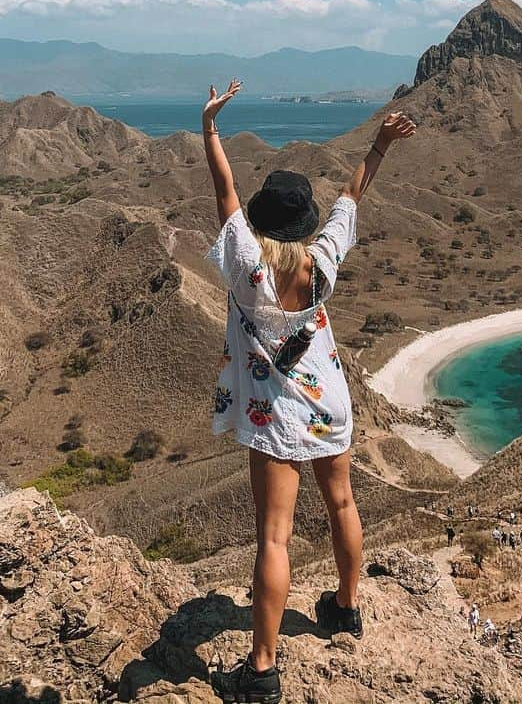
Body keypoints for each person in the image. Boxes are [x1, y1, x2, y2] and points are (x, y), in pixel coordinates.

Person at [201, 79, 416, 704]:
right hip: (328, 403)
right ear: (306, 222)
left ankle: (262, 670)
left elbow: (225, 191)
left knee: (275, 536)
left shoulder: (245, 262)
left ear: (262, 221)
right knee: (343, 505)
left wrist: (210, 128)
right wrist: (379, 145)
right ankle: (346, 609)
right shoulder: (323, 259)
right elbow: (353, 192)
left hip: (272, 416)